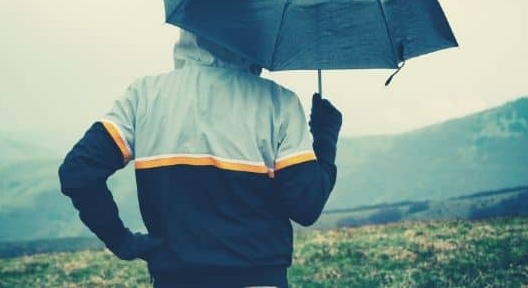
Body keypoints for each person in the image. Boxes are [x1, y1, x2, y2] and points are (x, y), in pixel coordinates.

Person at [58, 29, 342, 287]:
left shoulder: (143, 96)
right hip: (258, 278)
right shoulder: (278, 102)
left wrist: (122, 241)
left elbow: (78, 172)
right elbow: (306, 206)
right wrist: (325, 137)